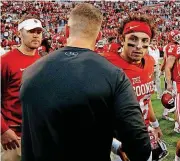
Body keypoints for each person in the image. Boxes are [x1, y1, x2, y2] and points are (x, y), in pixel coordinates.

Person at [20, 3, 152, 161]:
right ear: (99, 36)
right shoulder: (113, 74)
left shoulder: (30, 71)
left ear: (67, 31)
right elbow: (139, 141)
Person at [104, 14, 165, 160]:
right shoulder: (106, 64)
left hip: (141, 133)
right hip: (117, 138)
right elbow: (95, 112)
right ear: (121, 39)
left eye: (144, 40)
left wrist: (155, 124)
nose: (139, 46)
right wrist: (116, 146)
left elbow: (146, 98)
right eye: (133, 38)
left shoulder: (149, 62)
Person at [1, 14, 43, 161]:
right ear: (19, 33)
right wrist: (3, 130)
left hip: (38, 135)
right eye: (31, 31)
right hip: (13, 137)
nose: (36, 35)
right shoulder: (6, 61)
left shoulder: (44, 61)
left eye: (39, 32)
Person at [165, 29, 180, 133]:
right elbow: (168, 66)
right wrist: (169, 83)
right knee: (178, 107)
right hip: (178, 82)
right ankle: (177, 125)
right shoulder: (172, 47)